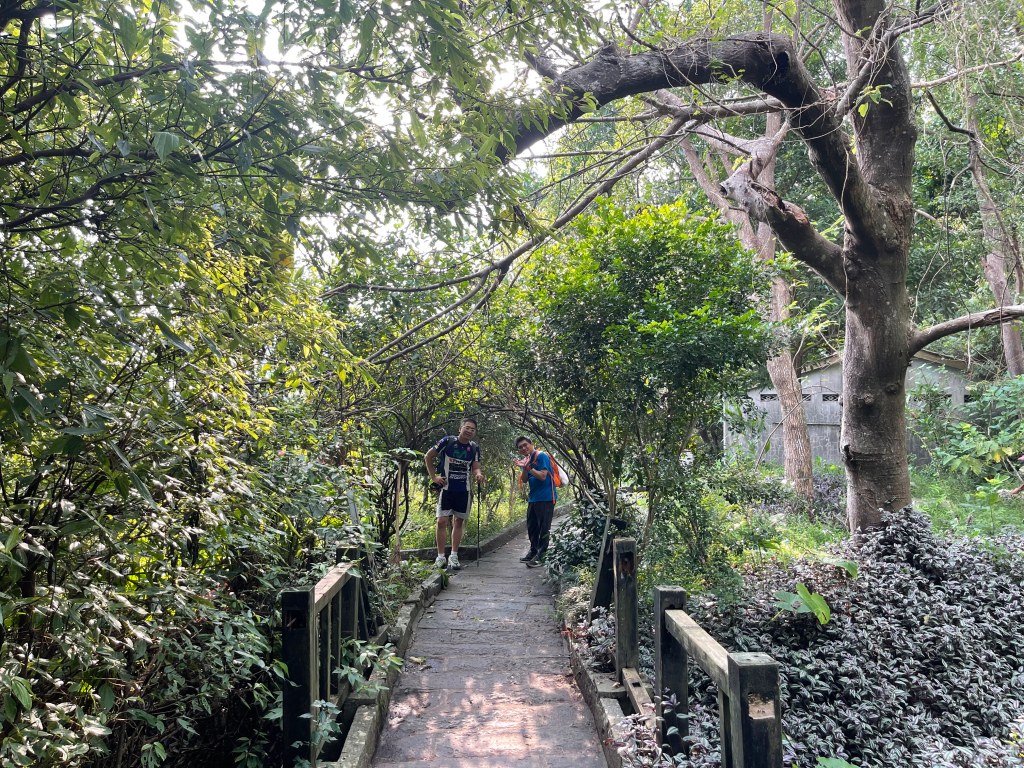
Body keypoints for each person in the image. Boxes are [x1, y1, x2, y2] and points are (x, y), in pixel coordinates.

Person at [424, 417, 484, 570]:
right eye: (467, 427)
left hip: (464, 490)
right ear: (460, 428)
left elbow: (476, 466)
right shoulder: (447, 441)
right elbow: (428, 456)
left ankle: (454, 555)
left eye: (472, 429)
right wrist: (433, 477)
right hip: (446, 489)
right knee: (441, 521)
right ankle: (440, 557)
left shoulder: (474, 447)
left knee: (458, 522)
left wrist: (478, 474)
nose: (469, 431)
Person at [513, 435, 557, 568]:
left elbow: (543, 476)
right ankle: (533, 551)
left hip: (546, 497)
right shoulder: (527, 460)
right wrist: (524, 467)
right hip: (533, 498)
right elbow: (525, 480)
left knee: (544, 528)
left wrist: (528, 468)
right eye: (520, 447)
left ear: (531, 444)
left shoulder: (541, 456)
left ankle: (541, 555)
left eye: (525, 445)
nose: (523, 448)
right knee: (532, 527)